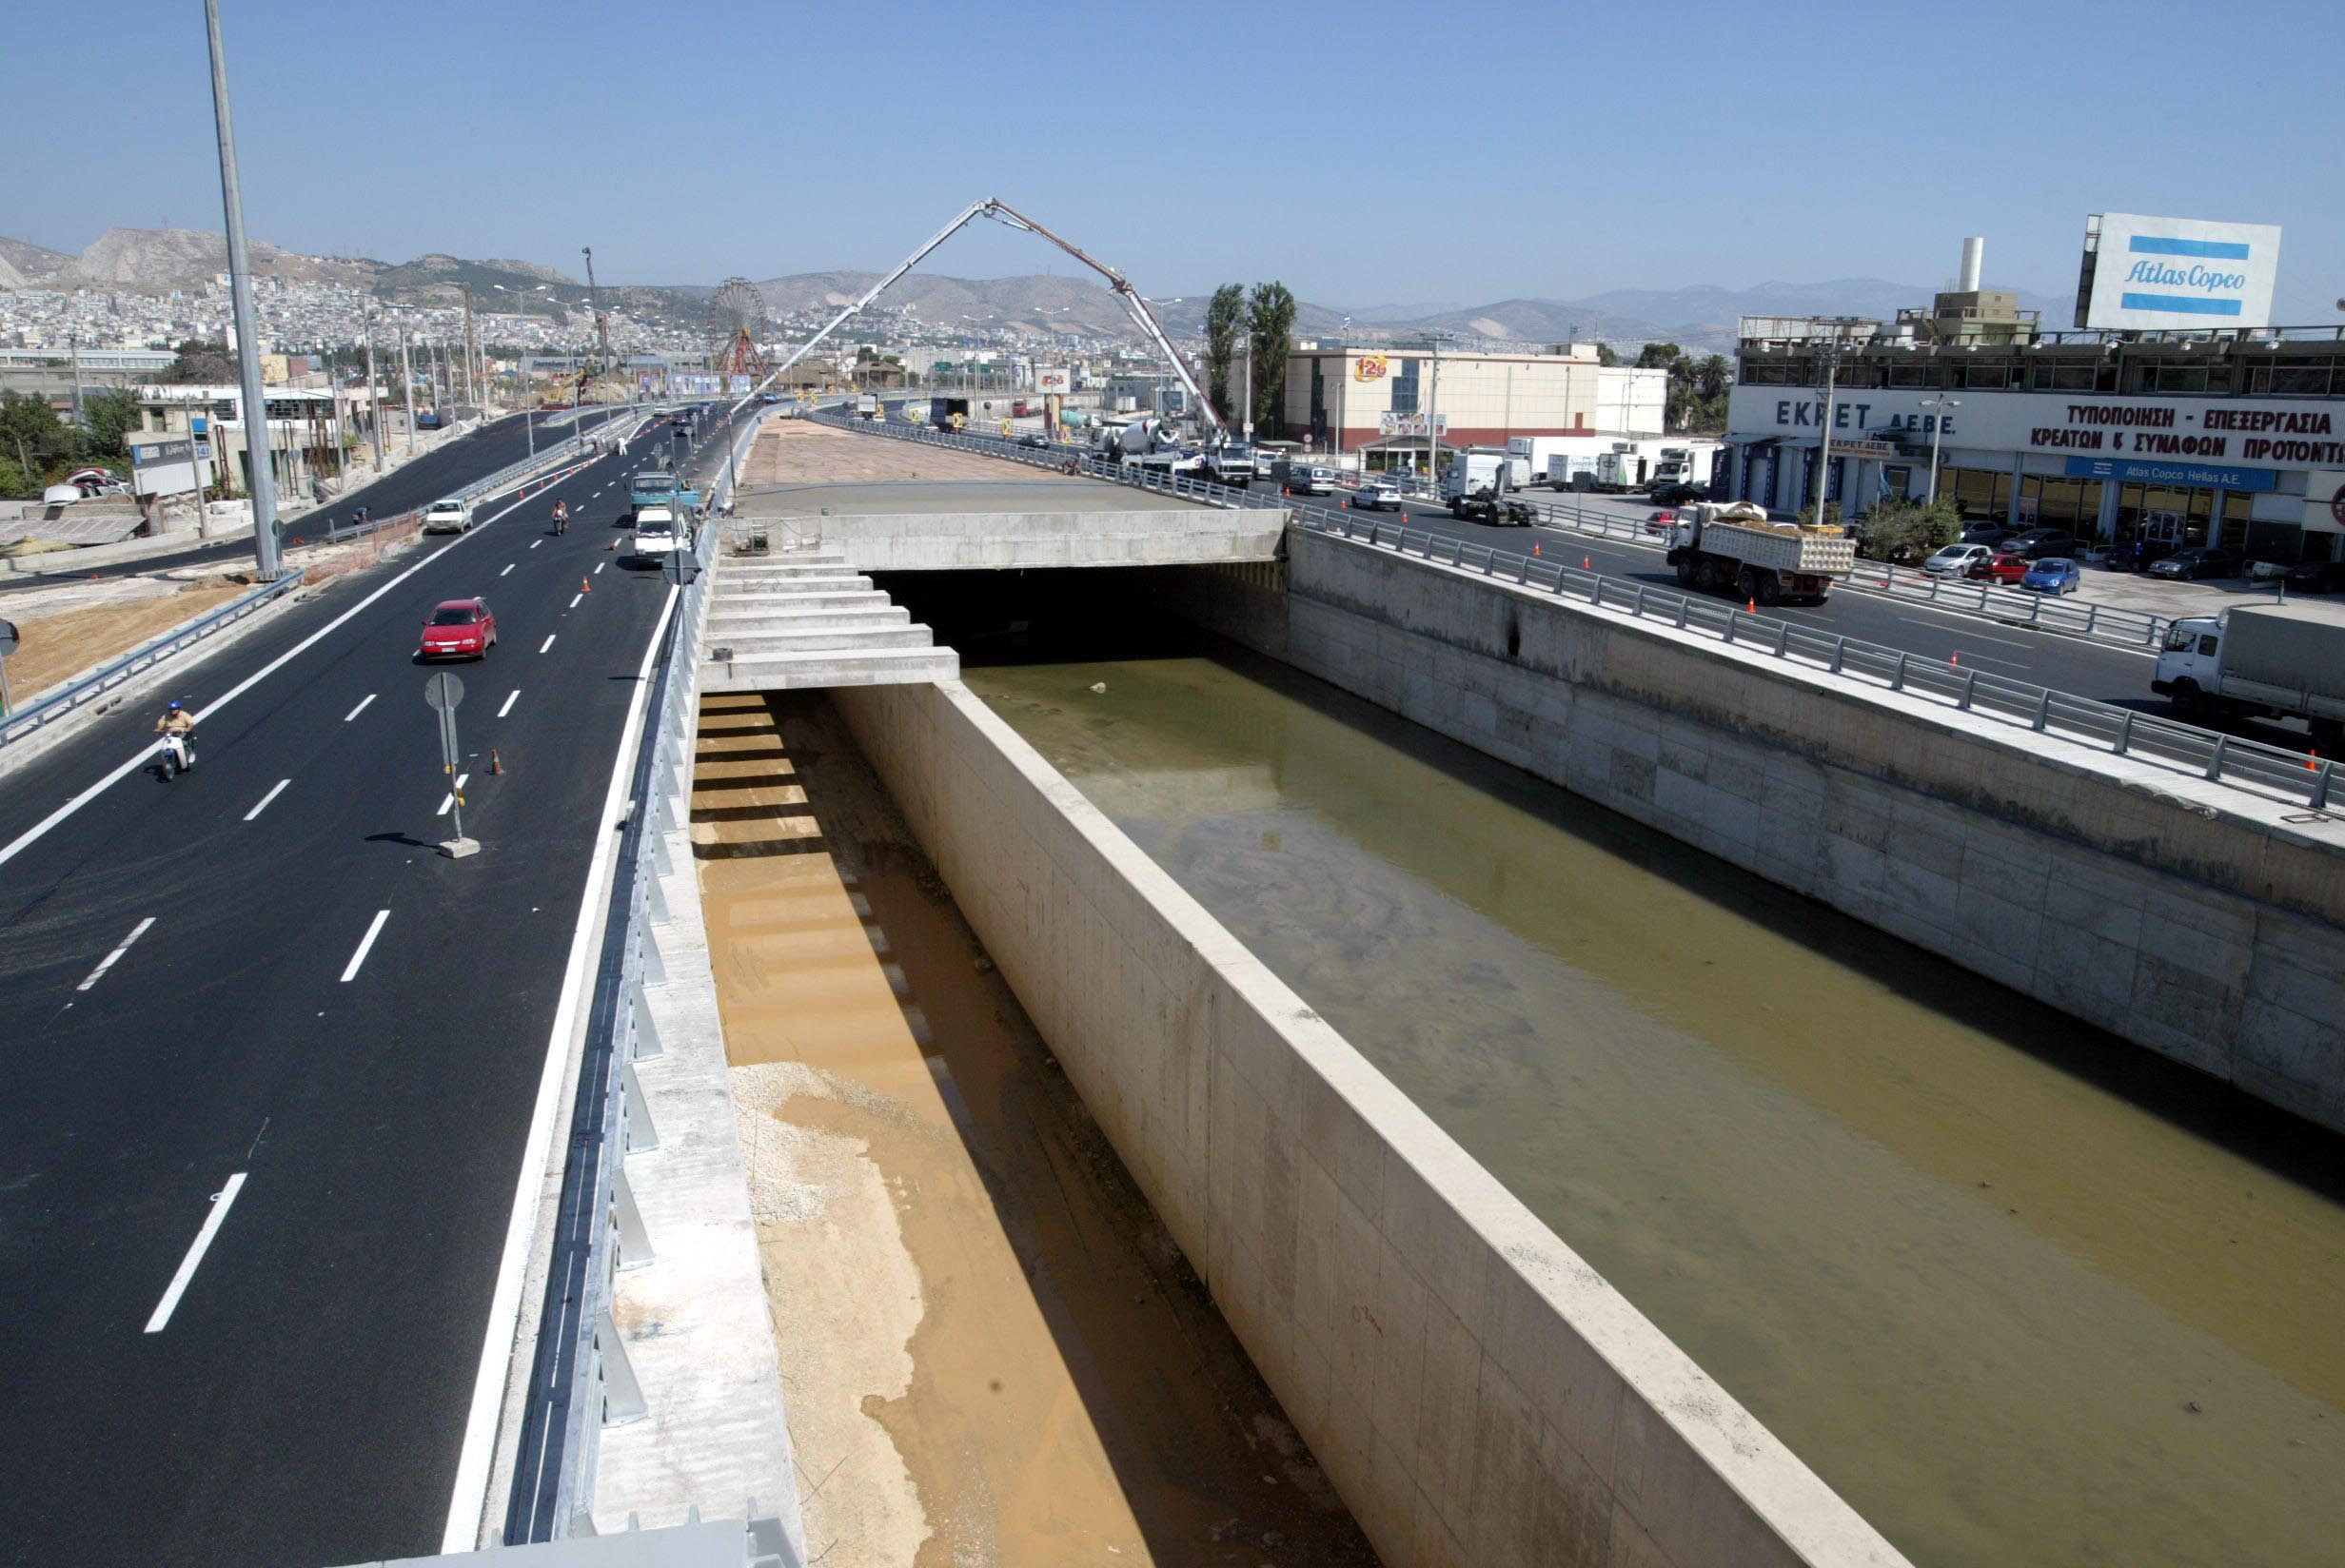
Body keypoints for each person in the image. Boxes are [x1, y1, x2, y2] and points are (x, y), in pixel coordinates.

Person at [155, 699, 196, 770]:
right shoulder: (166, 716)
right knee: (166, 743)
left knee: (184, 744)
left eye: (174, 709)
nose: (172, 711)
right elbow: (160, 723)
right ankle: (168, 757)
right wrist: (159, 729)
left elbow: (190, 723)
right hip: (170, 732)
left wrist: (188, 729)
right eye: (171, 709)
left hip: (182, 732)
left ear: (178, 709)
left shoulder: (184, 715)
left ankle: (187, 758)